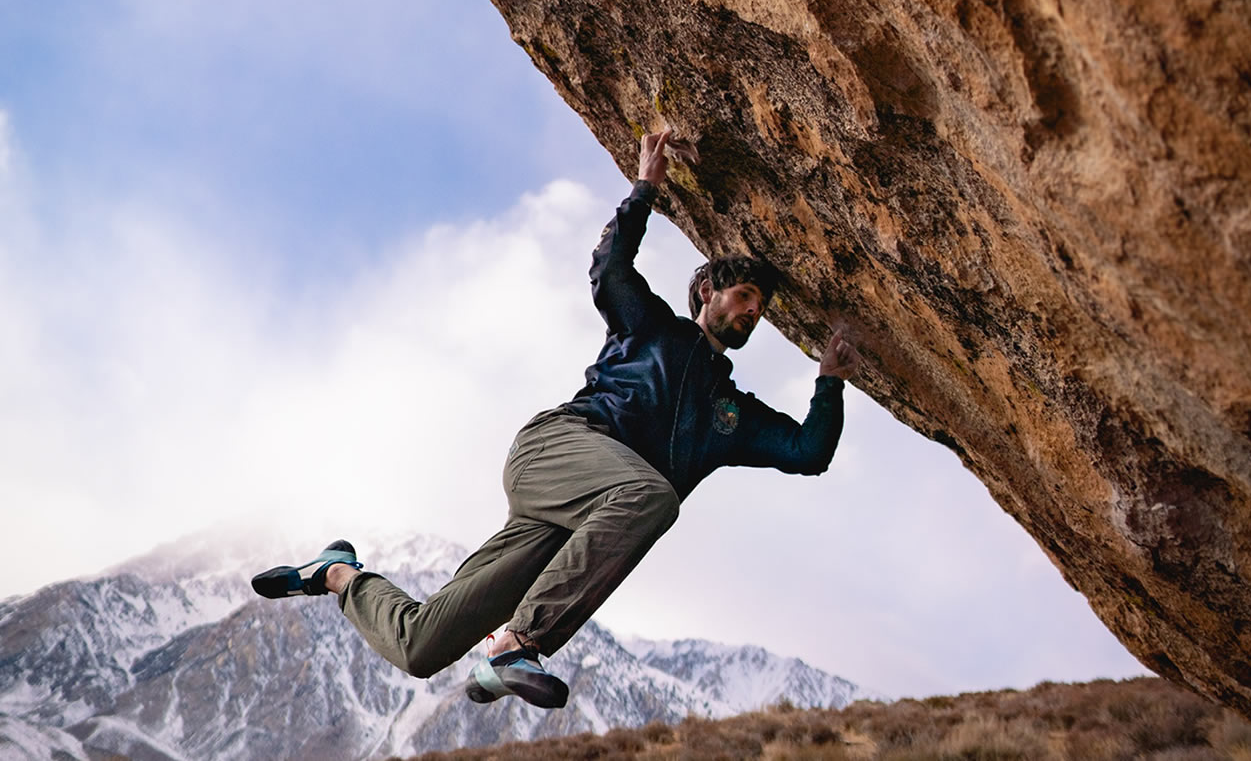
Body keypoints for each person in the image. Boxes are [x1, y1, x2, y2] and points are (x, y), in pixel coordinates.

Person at [251, 128, 863, 710]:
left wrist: (830, 383)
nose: (752, 311)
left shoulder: (732, 415)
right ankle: (519, 647)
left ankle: (334, 573)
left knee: (421, 646)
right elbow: (609, 269)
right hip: (558, 448)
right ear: (706, 292)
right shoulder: (651, 327)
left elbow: (808, 451)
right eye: (742, 297)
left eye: (760, 307)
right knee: (651, 495)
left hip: (577, 520)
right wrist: (643, 191)